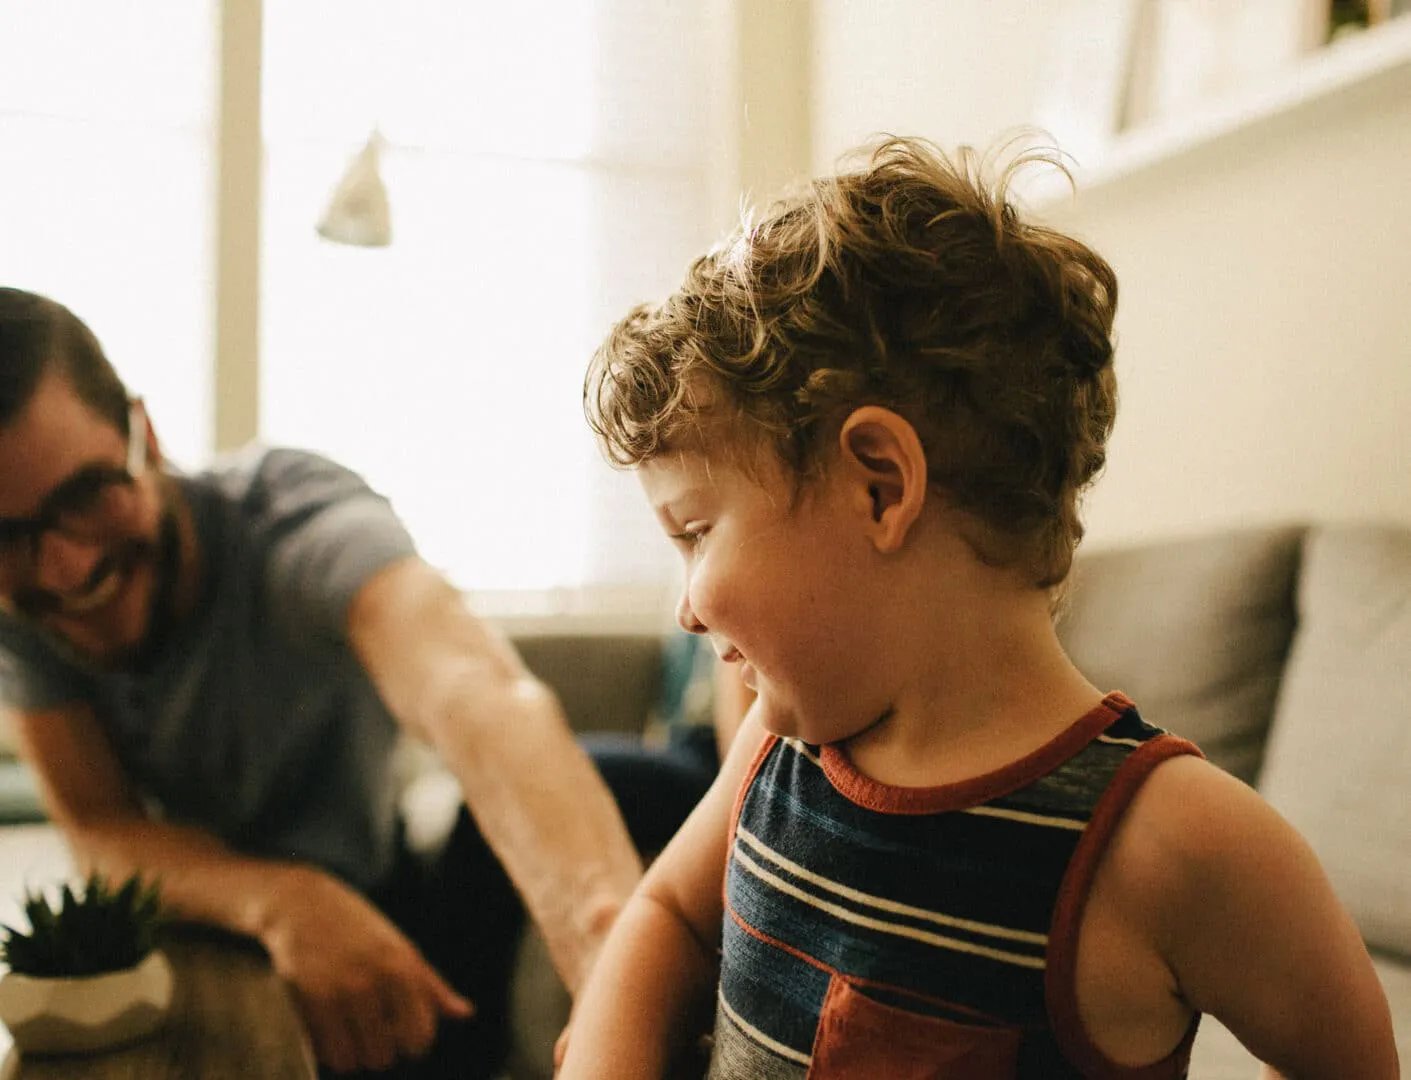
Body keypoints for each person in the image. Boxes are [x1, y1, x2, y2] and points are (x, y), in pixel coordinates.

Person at [555, 138, 1399, 1079]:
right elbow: (669, 916)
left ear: (879, 487)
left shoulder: (1171, 844)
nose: (685, 610)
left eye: (695, 532)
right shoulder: (776, 750)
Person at [0, 287, 643, 1079]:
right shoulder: (17, 608)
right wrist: (283, 900)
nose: (63, 570)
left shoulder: (290, 517)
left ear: (146, 435)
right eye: (7, 537)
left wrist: (615, 969)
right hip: (199, 925)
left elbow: (473, 692)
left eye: (87, 495)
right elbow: (101, 826)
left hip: (383, 900)